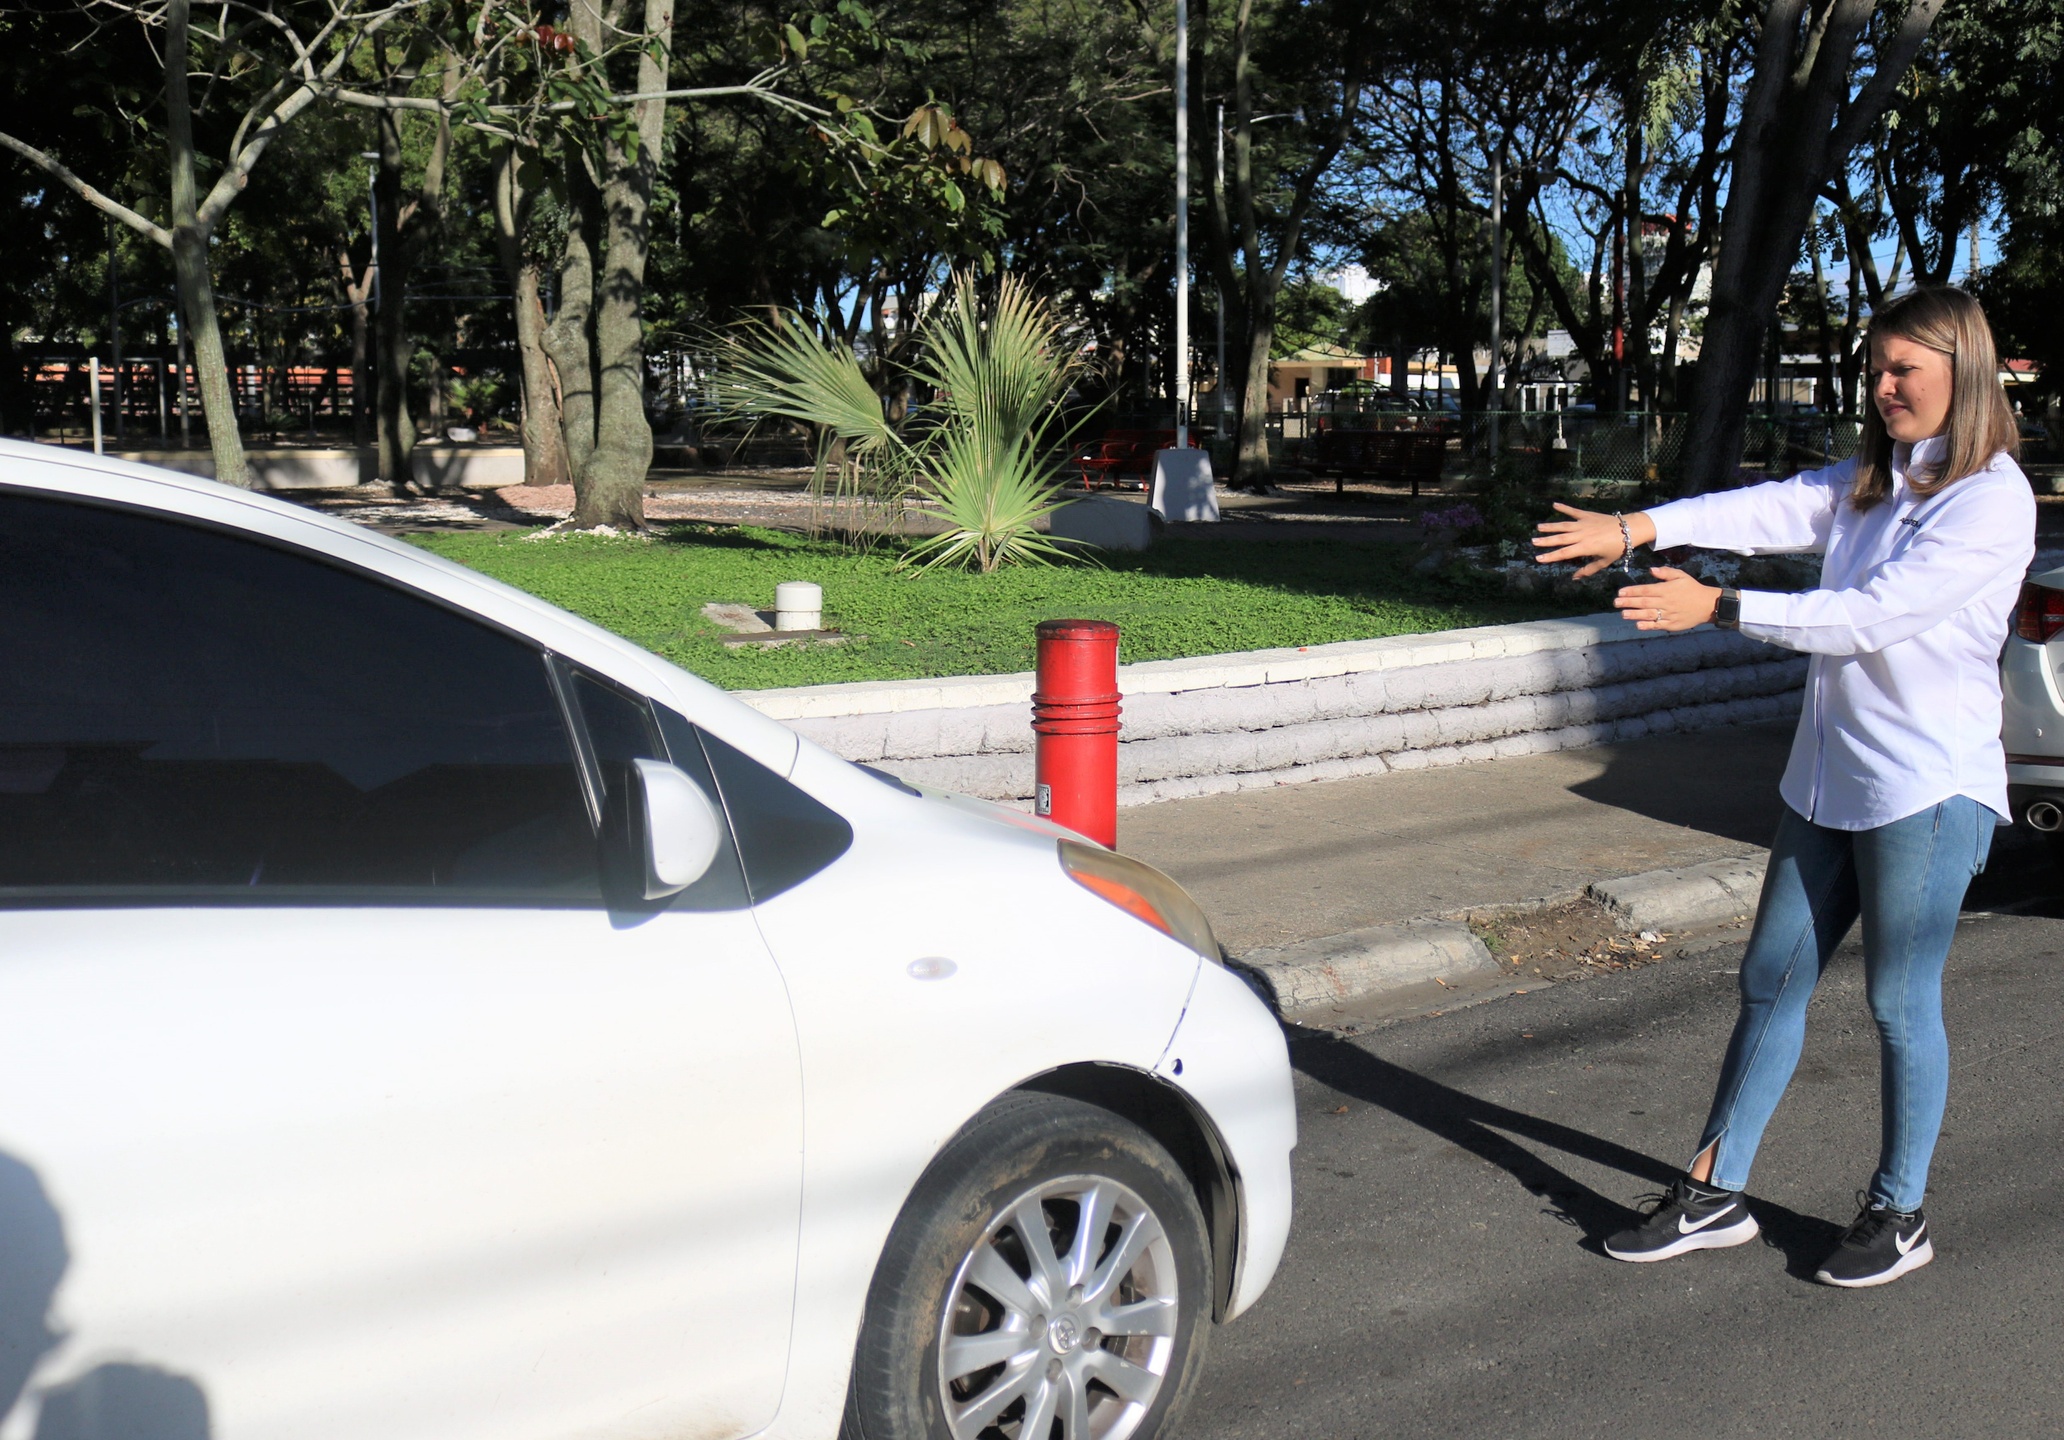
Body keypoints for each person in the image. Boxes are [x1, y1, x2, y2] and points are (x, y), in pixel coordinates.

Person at [1532, 286, 2033, 1288]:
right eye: (1875, 368)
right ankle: (1714, 1193)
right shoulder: (1876, 478)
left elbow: (1871, 616)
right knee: (1770, 978)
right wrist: (1636, 527)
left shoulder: (1989, 498)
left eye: (1903, 369)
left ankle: (1899, 1212)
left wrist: (1719, 606)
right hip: (1827, 779)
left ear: (1964, 371)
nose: (1882, 386)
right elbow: (1765, 506)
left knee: (1899, 1001)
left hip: (1926, 790)